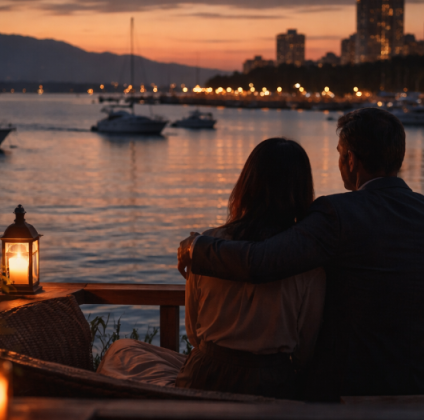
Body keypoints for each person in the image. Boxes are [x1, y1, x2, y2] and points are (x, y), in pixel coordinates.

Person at [178, 108, 424, 401]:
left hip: (358, 386)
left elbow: (261, 261)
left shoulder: (337, 214)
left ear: (351, 160)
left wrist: (196, 247)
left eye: (340, 154)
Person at [98, 138, 325, 400]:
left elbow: (195, 333)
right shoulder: (307, 262)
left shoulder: (205, 247)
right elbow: (305, 348)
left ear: (247, 184)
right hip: (271, 384)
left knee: (121, 352)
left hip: (205, 377)